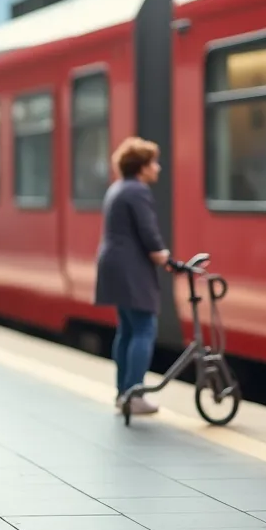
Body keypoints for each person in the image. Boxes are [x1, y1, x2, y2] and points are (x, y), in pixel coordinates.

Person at [94, 136, 170, 417]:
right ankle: (135, 393)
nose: (158, 168)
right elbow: (147, 232)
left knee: (126, 329)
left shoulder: (117, 188)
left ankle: (123, 393)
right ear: (142, 166)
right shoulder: (137, 191)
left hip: (114, 264)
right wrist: (161, 254)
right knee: (144, 328)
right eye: (154, 163)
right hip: (131, 268)